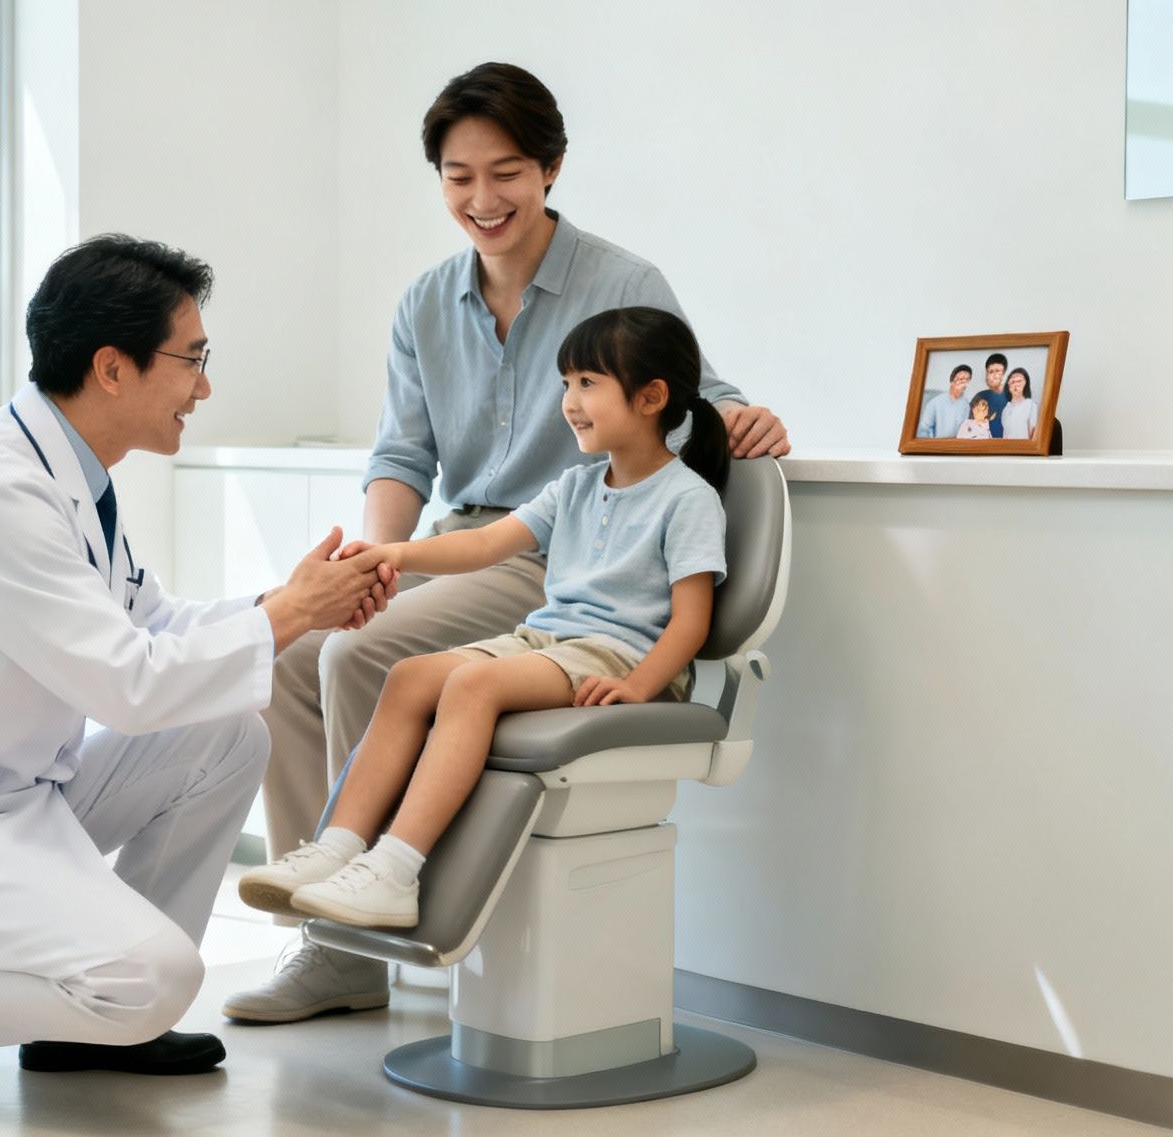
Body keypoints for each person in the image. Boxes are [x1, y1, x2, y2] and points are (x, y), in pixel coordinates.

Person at [226, 61, 788, 1025]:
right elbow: (403, 451)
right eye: (458, 177)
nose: (483, 199)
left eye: (507, 173)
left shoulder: (621, 282)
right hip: (456, 541)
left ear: (552, 169)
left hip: (550, 555)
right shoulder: (423, 304)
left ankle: (376, 913)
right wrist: (375, 563)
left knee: (364, 655)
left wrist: (747, 415)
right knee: (296, 654)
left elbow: (691, 392)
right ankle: (334, 928)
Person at [0, 236, 393, 1096]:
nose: (204, 387)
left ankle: (92, 1028)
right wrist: (291, 614)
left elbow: (154, 624)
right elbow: (128, 685)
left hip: (7, 798)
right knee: (153, 983)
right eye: (192, 360)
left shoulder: (73, 477)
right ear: (112, 368)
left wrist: (294, 606)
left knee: (226, 732)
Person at [238, 307, 726, 929]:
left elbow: (692, 620)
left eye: (587, 383)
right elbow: (482, 545)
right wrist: (394, 551)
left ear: (652, 396)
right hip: (548, 641)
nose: (568, 401)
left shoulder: (688, 499)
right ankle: (337, 849)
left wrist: (640, 685)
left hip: (617, 655)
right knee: (411, 676)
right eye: (566, 383)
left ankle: (396, 868)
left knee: (470, 684)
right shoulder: (575, 486)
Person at [916, 364, 973, 438]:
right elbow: (923, 430)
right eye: (961, 379)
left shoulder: (966, 405)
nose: (963, 383)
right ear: (952, 381)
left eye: (967, 380)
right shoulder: (935, 403)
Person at [975, 353, 1010, 437]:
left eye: (998, 371)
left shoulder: (1013, 397)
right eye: (990, 372)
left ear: (1004, 373)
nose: (994, 376)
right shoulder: (980, 397)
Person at [999, 366, 1038, 438]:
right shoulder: (1006, 409)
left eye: (1019, 381)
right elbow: (1005, 435)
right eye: (1013, 382)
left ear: (1025, 383)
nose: (1016, 385)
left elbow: (1035, 434)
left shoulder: (1031, 405)